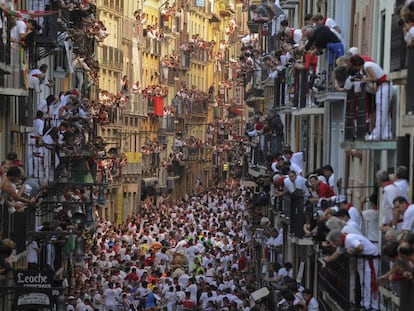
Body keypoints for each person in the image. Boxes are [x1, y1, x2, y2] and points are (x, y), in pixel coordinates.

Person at [326, 230, 379, 311]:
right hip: (361, 261)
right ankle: (365, 304)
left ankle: (373, 306)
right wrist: (327, 260)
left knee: (369, 283)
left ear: (337, 240)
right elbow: (337, 254)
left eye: (334, 242)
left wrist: (353, 252)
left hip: (369, 260)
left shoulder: (349, 239)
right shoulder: (343, 243)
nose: (334, 245)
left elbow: (360, 247)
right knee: (363, 283)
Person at [349, 55, 392, 140]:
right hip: (384, 86)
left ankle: (377, 135)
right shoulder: (367, 65)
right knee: (384, 111)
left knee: (381, 111)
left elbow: (373, 78)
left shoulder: (367, 66)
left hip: (383, 87)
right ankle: (386, 133)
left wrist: (362, 79)